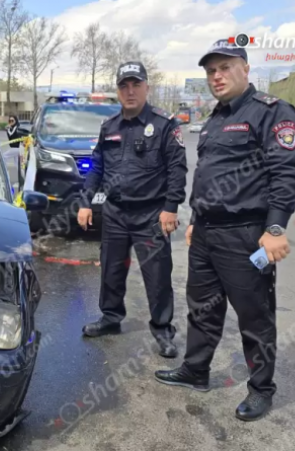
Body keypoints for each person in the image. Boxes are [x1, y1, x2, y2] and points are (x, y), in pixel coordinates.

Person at [153, 39, 295, 422]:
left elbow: (285, 173)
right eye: (211, 71)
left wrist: (275, 227)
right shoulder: (215, 119)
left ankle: (261, 389)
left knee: (254, 315)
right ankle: (196, 370)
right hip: (206, 234)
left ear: (245, 69)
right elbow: (208, 176)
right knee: (202, 308)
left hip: (246, 234)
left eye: (224, 68)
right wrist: (196, 220)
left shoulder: (271, 111)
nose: (216, 76)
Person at [77, 61, 188, 358]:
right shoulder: (109, 127)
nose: (130, 91)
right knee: (111, 269)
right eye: (124, 85)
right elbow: (97, 167)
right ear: (117, 90)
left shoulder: (164, 124)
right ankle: (111, 318)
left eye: (136, 84)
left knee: (157, 274)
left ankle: (163, 329)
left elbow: (177, 169)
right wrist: (86, 202)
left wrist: (171, 208)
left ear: (147, 87)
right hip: (115, 212)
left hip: (151, 214)